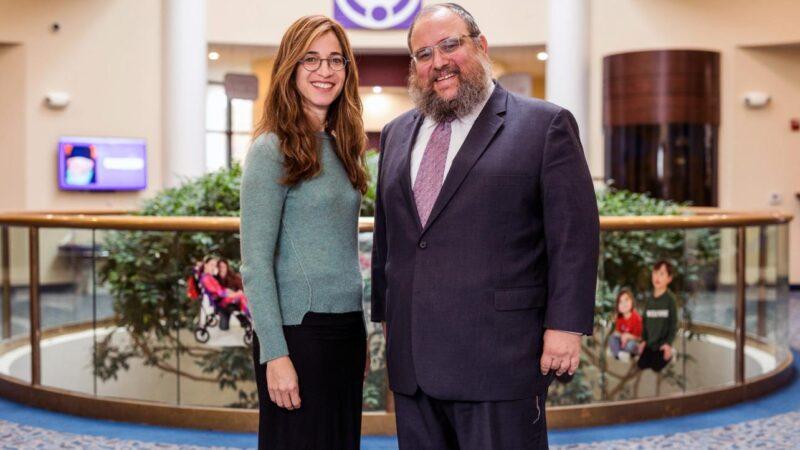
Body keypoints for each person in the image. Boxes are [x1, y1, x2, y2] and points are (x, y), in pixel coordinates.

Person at [370, 4, 599, 449]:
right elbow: (390, 240)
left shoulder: (544, 125)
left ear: (480, 44)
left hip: (500, 362)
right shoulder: (396, 133)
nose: (438, 62)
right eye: (423, 54)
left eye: (450, 45)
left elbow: (574, 238)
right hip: (414, 366)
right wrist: (386, 321)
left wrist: (566, 328)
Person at [239, 15, 369, 450]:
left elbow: (343, 252)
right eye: (310, 59)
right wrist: (274, 354)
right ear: (290, 69)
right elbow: (255, 265)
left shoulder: (345, 147)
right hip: (299, 334)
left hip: (346, 331)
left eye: (336, 60)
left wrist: (362, 331)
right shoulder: (270, 150)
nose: (324, 71)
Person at [637, 260, 679, 372]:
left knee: (657, 367)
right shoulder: (649, 299)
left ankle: (671, 353)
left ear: (669, 278)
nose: (657, 277)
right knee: (641, 365)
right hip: (650, 344)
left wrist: (668, 344)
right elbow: (645, 322)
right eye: (655, 273)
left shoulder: (670, 300)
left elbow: (673, 324)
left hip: (662, 344)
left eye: (661, 274)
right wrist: (643, 340)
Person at [199, 256, 250, 328]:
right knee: (241, 296)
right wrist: (233, 294)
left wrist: (228, 291)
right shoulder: (206, 278)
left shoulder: (209, 277)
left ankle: (246, 316)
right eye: (211, 265)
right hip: (221, 301)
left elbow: (219, 289)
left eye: (214, 265)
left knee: (241, 296)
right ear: (205, 265)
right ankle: (249, 314)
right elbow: (218, 293)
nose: (214, 267)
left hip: (223, 298)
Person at [609, 288, 642, 362]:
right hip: (623, 341)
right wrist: (619, 335)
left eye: (626, 300)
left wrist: (627, 336)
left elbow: (640, 338)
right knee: (612, 338)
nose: (624, 304)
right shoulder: (620, 318)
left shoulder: (637, 318)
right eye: (620, 302)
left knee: (630, 345)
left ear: (632, 301)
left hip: (633, 341)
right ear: (618, 306)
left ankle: (627, 354)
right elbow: (618, 332)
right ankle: (619, 353)